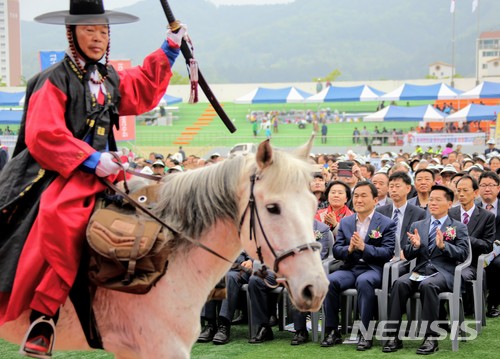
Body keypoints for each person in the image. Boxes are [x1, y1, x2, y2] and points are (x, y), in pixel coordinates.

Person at [0, 1, 185, 357]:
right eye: (89, 31)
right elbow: (43, 136)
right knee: (65, 218)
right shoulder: (53, 78)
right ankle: (44, 315)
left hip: (106, 171)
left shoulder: (108, 77)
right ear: (72, 34)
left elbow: (143, 87)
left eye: (103, 31)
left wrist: (170, 48)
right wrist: (90, 158)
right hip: (56, 170)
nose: (97, 38)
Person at [383, 185, 469, 354]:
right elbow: (407, 254)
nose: (433, 203)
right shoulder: (418, 225)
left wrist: (444, 247)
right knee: (399, 283)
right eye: (431, 199)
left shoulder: (458, 227)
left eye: (438, 199)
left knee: (428, 285)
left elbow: (464, 254)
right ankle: (393, 335)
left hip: (443, 272)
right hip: (421, 271)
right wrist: (415, 246)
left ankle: (431, 337)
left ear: (449, 203)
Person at [321, 181, 396, 351]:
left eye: (363, 196)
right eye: (356, 196)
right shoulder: (346, 222)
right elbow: (337, 249)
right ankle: (332, 330)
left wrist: (364, 247)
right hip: (350, 268)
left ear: (375, 200)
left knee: (364, 281)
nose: (359, 200)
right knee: (330, 281)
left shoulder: (386, 223)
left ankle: (365, 332)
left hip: (373, 269)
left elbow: (387, 252)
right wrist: (349, 249)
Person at [448, 175, 495, 314]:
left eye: (465, 190)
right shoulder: (450, 213)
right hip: (450, 259)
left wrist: (465, 237)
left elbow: (487, 245)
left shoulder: (487, 216)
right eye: (458, 190)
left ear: (475, 193)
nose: (461, 194)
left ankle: (462, 309)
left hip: (472, 263)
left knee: (461, 274)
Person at [289, 219, 332, 345]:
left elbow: (321, 255)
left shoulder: (322, 228)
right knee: (257, 280)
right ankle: (262, 327)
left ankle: (300, 330)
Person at [198, 252, 252, 345]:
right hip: (221, 267)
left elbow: (256, 250)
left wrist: (251, 261)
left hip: (241, 268)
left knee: (228, 277)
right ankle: (210, 324)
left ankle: (224, 325)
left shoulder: (247, 237)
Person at [376, 172, 426, 259]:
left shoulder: (418, 213)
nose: (394, 190)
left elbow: (419, 242)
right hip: (382, 256)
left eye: (397, 186)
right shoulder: (380, 211)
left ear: (408, 188)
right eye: (391, 186)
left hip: (406, 259)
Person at [475, 171, 500, 317]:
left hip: (499, 250)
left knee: (497, 264)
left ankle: (493, 303)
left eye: (491, 185)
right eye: (483, 185)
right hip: (479, 247)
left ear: (498, 188)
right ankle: (470, 302)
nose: (487, 189)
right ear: (478, 189)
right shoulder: (474, 206)